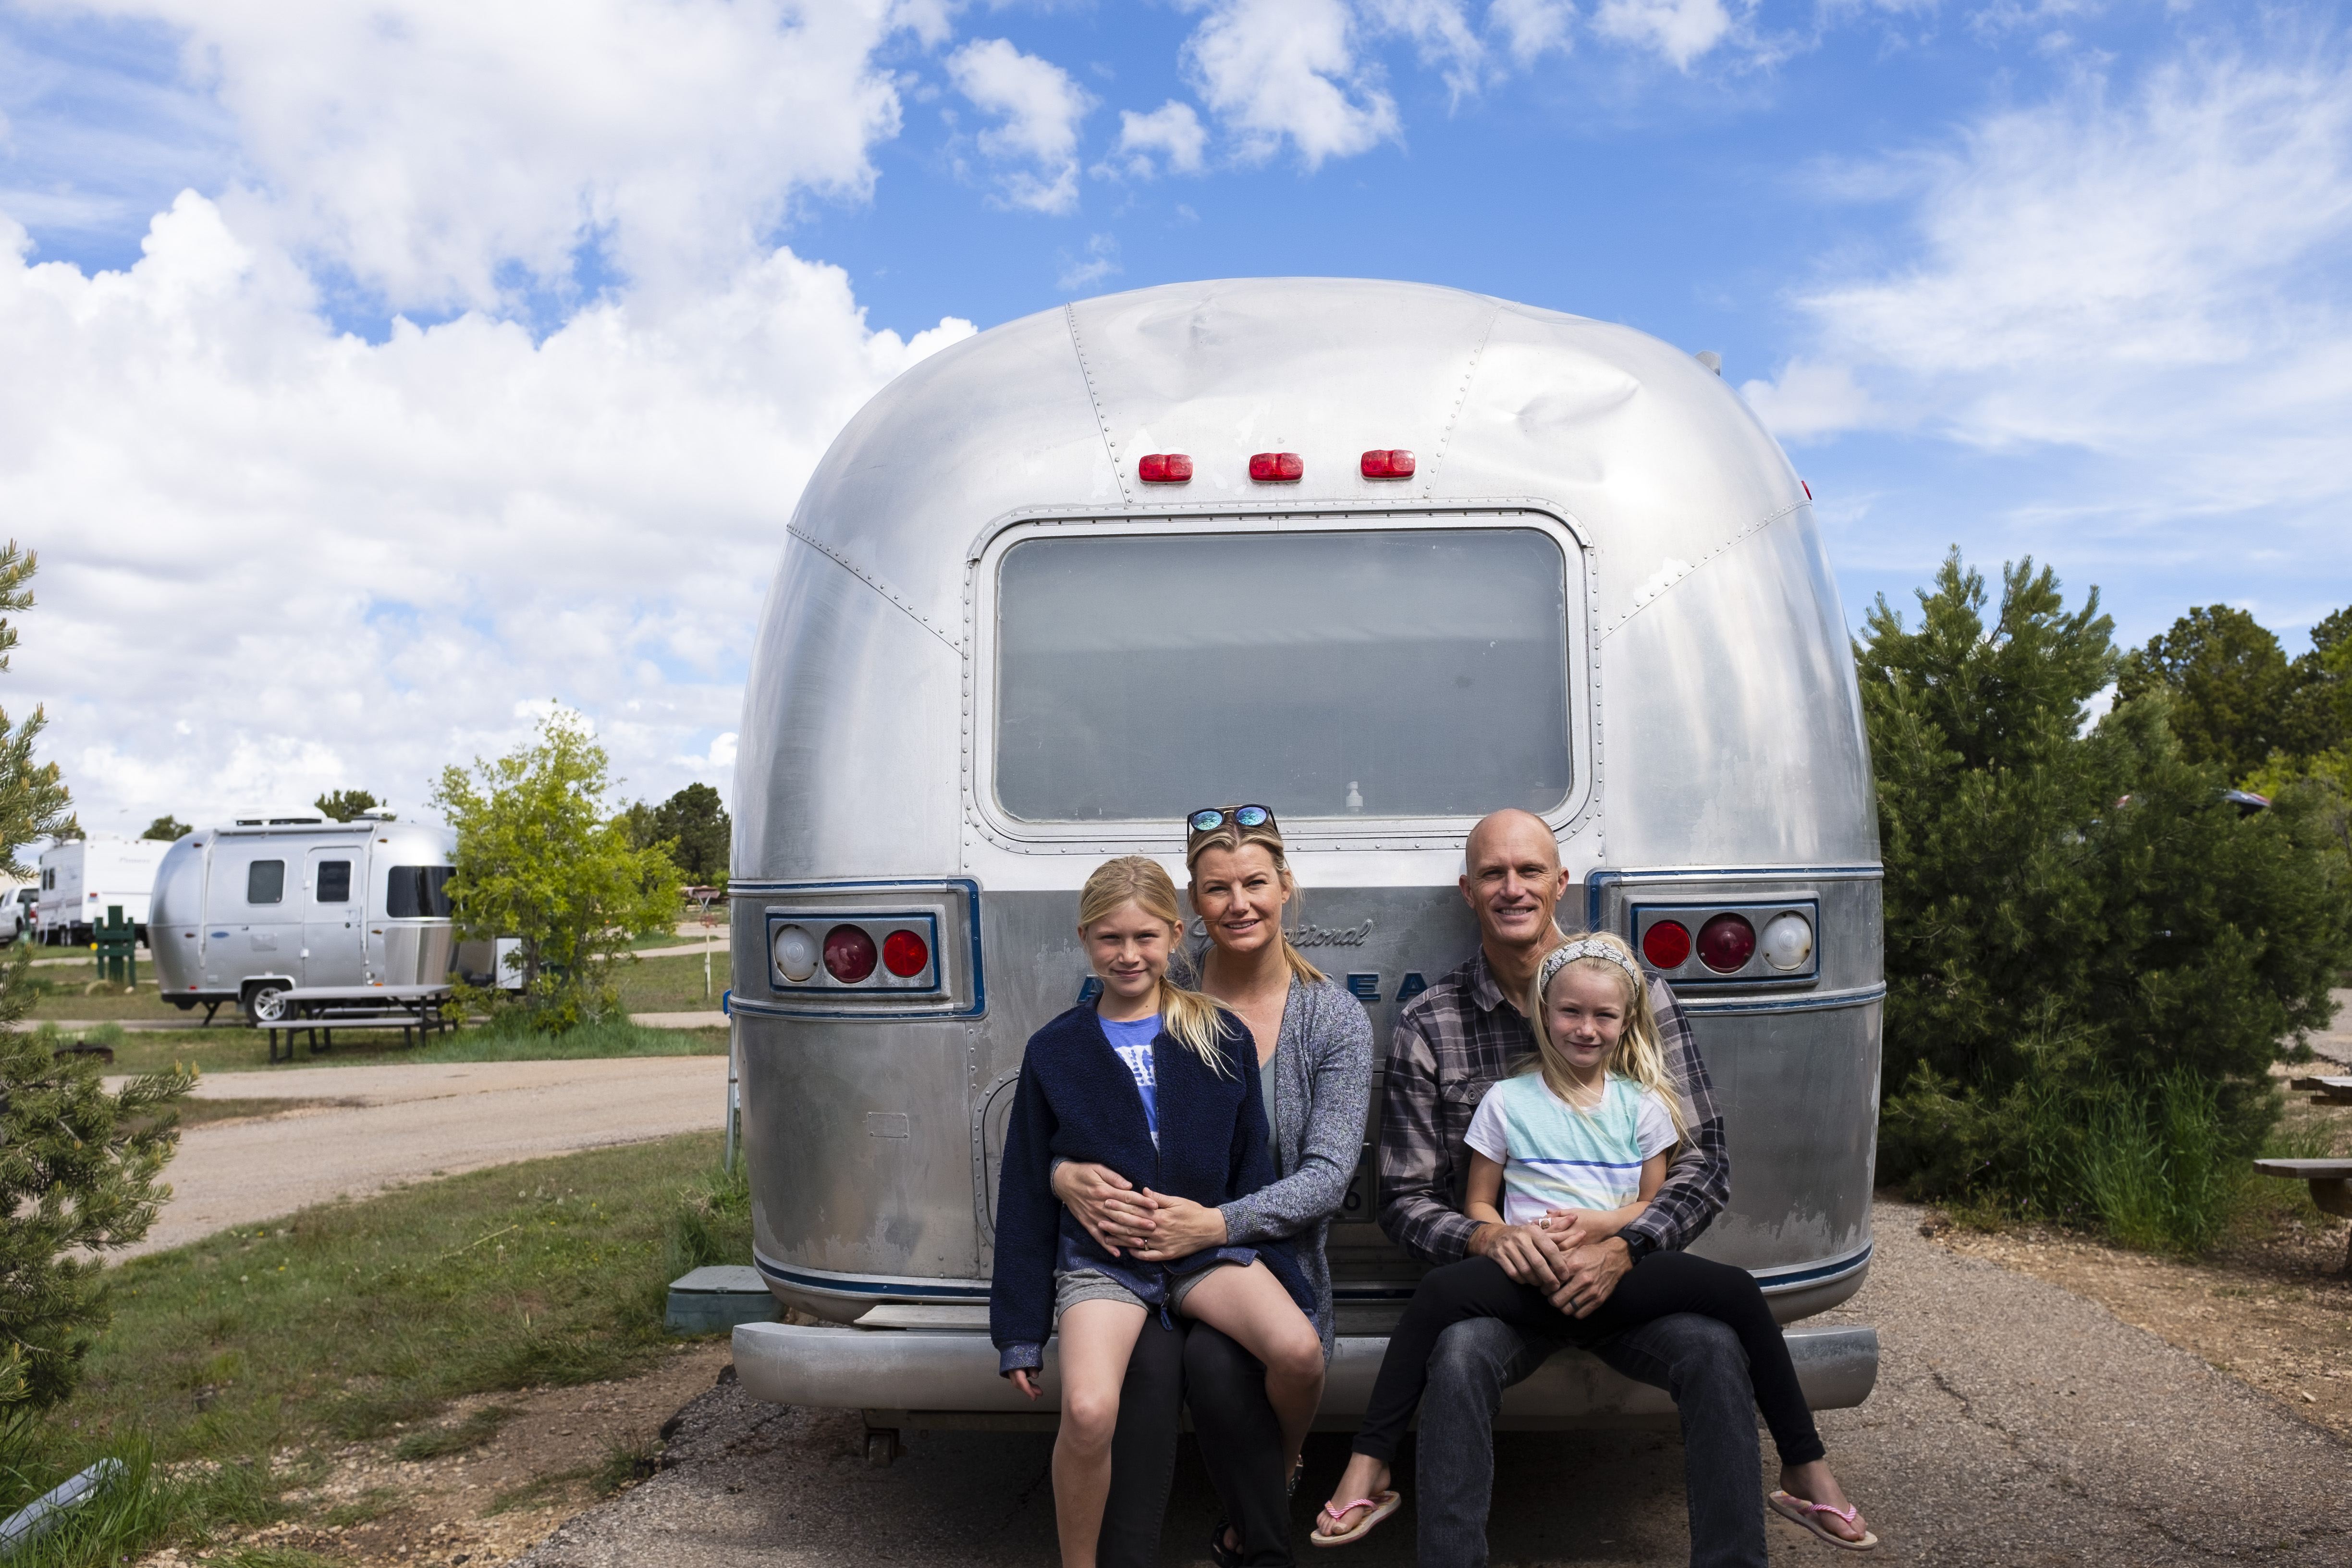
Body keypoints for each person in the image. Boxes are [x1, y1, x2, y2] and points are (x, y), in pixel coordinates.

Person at [1318, 931, 1874, 1551]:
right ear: (1542, 1013)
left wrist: (1604, 1232)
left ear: (1626, 1021)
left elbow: (1650, 1204)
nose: (1586, 1028)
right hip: (1532, 1277)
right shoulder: (1506, 1101)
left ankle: (1803, 1463)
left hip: (1623, 1278)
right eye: (1571, 1012)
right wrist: (1506, 1238)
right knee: (1438, 1298)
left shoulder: (1644, 1106)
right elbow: (1477, 1200)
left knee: (1738, 1294)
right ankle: (1369, 1463)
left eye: (1604, 1015)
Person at [1377, 807, 1818, 1568]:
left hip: (1629, 1282)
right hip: (1509, 1289)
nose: (1512, 888)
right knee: (1456, 1354)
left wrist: (1627, 1244)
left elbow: (1704, 1159)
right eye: (1493, 873)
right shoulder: (1431, 1021)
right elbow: (1404, 1197)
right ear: (1467, 890)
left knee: (1715, 1350)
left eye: (1529, 871)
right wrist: (1490, 1238)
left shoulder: (1632, 995)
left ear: (1561, 883)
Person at [1058, 806, 1373, 1568]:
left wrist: (1215, 1227)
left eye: (1255, 883)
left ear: (1286, 888)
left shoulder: (1332, 1020)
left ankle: (1272, 1494)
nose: (1239, 904)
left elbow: (1327, 1178)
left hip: (1265, 1263)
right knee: (1156, 1370)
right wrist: (1062, 1174)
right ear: (1189, 910)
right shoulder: (1145, 988)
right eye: (1216, 888)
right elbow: (1070, 1112)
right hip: (1141, 1259)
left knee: (1223, 1369)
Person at [990, 854, 1326, 1568]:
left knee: (1299, 1353)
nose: (1128, 954)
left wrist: (1270, 1269)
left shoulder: (1217, 1032)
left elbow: (1250, 1168)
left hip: (1204, 1249)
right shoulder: (1056, 1050)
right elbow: (1024, 1187)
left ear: (1176, 936)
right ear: (1085, 940)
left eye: (1145, 937)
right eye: (1110, 939)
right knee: (1087, 1412)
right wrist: (1019, 1332)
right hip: (1104, 1263)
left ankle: (1278, 1470)